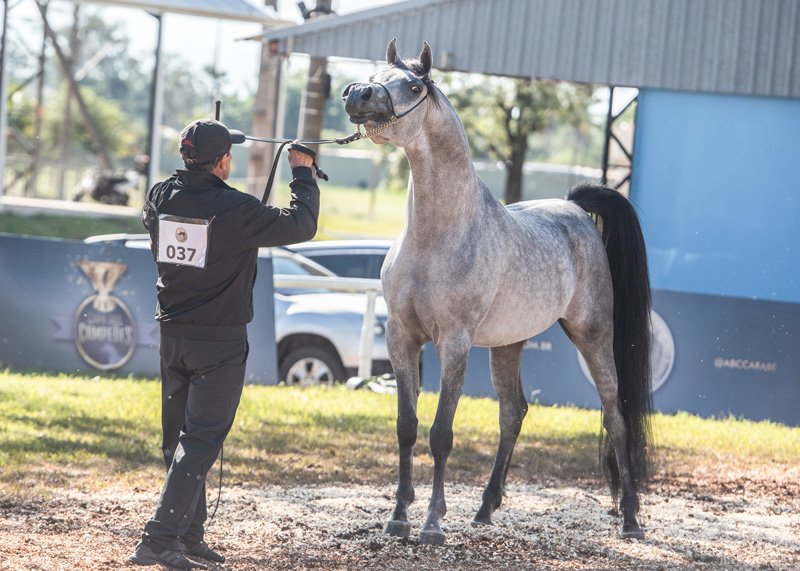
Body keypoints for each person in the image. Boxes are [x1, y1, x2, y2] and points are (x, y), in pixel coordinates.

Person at [130, 119, 320, 570]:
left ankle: (188, 534)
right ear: (222, 162)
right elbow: (302, 224)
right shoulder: (236, 208)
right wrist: (302, 172)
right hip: (218, 343)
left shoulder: (160, 195)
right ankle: (158, 539)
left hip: (173, 336)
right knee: (199, 441)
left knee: (179, 440)